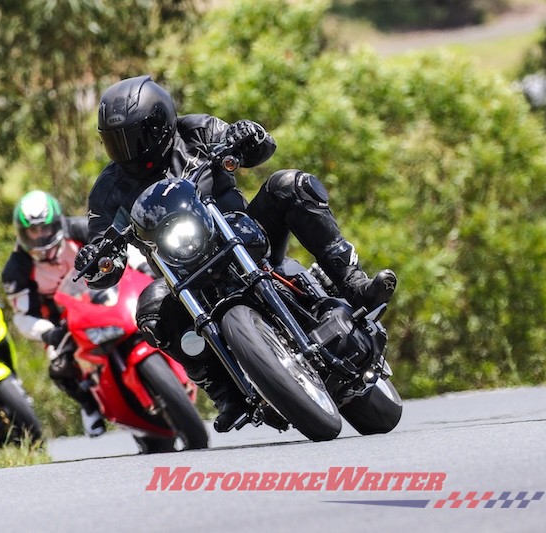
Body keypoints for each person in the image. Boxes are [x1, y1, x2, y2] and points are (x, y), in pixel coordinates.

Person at [75, 74, 397, 433]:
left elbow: (262, 148)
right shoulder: (108, 189)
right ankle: (225, 391)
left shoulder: (196, 131)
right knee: (150, 310)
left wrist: (248, 136)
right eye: (116, 142)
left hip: (246, 233)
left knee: (290, 185)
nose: (128, 149)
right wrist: (96, 259)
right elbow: (103, 253)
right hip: (184, 276)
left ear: (160, 122)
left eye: (135, 137)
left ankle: (351, 282)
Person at [1, 190, 106, 437]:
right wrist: (47, 333)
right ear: (22, 233)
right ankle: (90, 406)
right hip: (61, 322)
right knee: (58, 368)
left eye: (44, 229)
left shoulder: (81, 229)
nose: (39, 237)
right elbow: (22, 315)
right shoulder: (16, 268)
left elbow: (118, 249)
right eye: (32, 231)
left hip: (105, 296)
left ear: (57, 224)